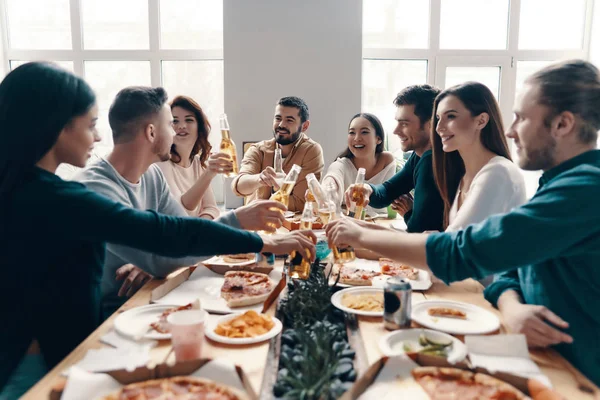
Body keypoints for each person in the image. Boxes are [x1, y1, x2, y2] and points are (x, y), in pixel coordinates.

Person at [0, 62, 315, 396]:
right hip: (32, 366)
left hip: (69, 346)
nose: (97, 135)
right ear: (57, 126)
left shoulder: (29, 188)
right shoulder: (58, 196)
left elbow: (175, 229)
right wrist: (259, 240)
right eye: (91, 124)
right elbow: (165, 236)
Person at [326, 59, 600, 386]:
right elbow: (513, 267)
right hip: (537, 354)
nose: (511, 130)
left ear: (563, 124)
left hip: (577, 377)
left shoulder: (585, 189)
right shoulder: (556, 183)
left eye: (522, 117)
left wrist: (362, 235)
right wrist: (511, 305)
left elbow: (459, 252)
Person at [75, 87, 290, 318]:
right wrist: (241, 222)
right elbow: (164, 255)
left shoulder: (151, 176)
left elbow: (184, 232)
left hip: (147, 297)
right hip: (104, 315)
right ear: (151, 132)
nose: (176, 131)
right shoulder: (95, 188)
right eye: (170, 124)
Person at [344, 85, 444, 232]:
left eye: (404, 123)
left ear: (430, 124)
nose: (396, 130)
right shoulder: (419, 155)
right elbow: (388, 191)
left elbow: (419, 230)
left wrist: (409, 212)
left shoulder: (431, 160)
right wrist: (367, 189)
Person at [433, 82, 526, 233]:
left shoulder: (498, 173)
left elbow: (453, 245)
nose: (439, 127)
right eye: (438, 118)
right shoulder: (464, 177)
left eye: (450, 116)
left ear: (481, 121)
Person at [231, 96, 324, 212]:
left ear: (304, 126)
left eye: (289, 120)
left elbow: (301, 203)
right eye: (278, 118)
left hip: (289, 225)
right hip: (256, 223)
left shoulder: (311, 151)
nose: (281, 125)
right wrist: (259, 179)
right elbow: (238, 186)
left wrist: (264, 202)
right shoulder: (258, 150)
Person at [157, 95, 228, 219]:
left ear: (199, 128)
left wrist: (202, 229)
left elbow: (211, 208)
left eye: (189, 120)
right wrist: (208, 174)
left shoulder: (196, 162)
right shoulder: (161, 163)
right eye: (175, 121)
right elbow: (179, 210)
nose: (182, 126)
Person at [321, 113, 395, 215]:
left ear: (378, 139)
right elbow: (332, 178)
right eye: (352, 133)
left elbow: (386, 201)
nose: (357, 138)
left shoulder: (387, 160)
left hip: (381, 225)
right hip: (349, 224)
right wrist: (325, 189)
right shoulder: (341, 165)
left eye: (364, 132)